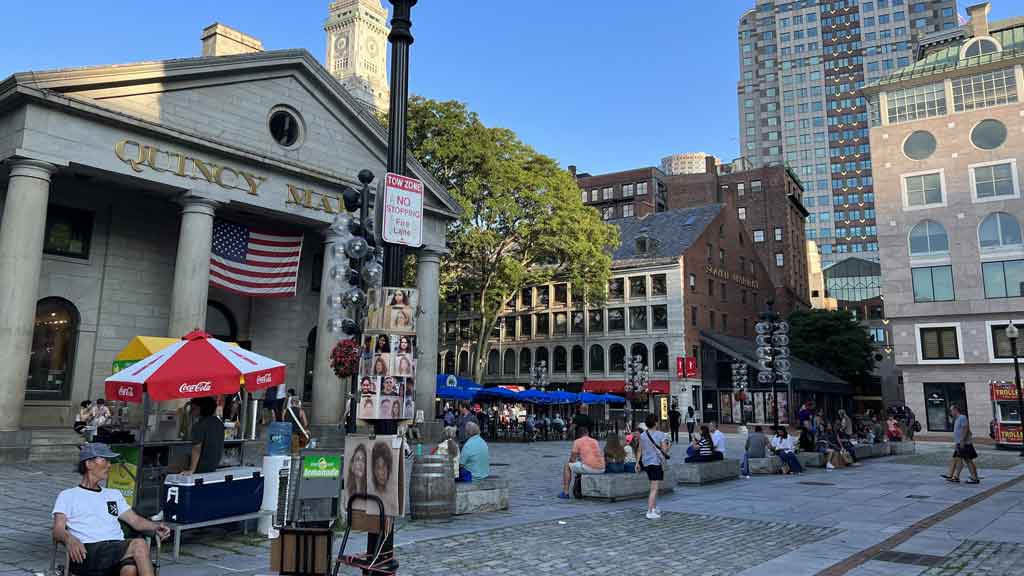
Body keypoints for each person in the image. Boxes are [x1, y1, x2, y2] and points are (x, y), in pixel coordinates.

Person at [52, 443, 171, 576]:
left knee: (130, 570)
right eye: (105, 460)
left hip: (115, 550)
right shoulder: (68, 495)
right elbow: (58, 529)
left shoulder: (113, 494)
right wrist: (69, 539)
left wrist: (156, 527)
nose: (109, 465)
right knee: (139, 544)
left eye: (110, 461)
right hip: (86, 552)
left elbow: (135, 520)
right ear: (89, 464)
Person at [636, 414, 670, 519]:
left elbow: (639, 450)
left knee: (653, 485)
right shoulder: (661, 435)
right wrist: (669, 446)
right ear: (655, 423)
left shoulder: (643, 435)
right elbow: (664, 450)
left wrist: (637, 463)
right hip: (655, 463)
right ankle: (650, 511)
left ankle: (654, 508)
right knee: (654, 488)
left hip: (646, 463)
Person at [559, 426, 606, 498]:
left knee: (567, 466)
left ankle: (565, 492)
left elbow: (572, 459)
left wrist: (575, 463)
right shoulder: (594, 441)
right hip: (602, 468)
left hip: (591, 467)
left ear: (578, 434)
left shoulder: (577, 441)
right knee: (581, 464)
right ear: (587, 433)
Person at [185, 396, 224, 475]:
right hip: (213, 466)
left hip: (200, 468)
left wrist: (191, 470)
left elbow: (196, 449)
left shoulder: (200, 425)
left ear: (200, 408)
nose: (191, 411)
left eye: (193, 408)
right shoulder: (218, 423)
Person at [945, 404, 980, 484]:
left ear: (955, 410)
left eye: (951, 410)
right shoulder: (956, 419)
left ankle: (974, 478)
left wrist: (962, 440)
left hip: (964, 443)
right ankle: (955, 477)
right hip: (960, 443)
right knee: (958, 459)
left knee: (968, 460)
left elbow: (965, 429)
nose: (951, 412)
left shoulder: (962, 417)